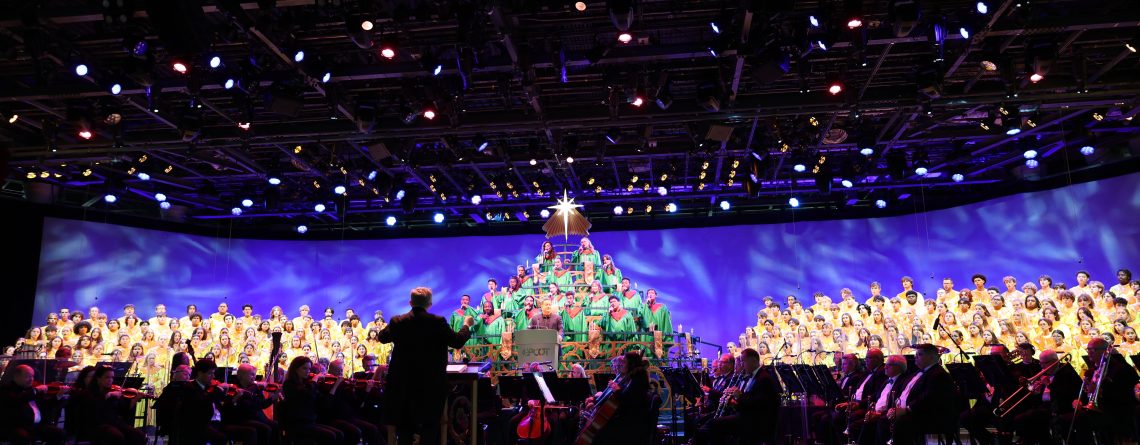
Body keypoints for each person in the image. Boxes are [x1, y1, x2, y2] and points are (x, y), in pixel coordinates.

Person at [378, 287, 474, 445]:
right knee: (430, 429)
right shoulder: (437, 322)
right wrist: (466, 325)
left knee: (404, 431)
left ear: (410, 303)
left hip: (403, 386)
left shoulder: (398, 321)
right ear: (430, 303)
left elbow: (382, 337)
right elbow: (457, 341)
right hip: (430, 385)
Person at [696, 348, 780, 444]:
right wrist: (733, 401)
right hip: (747, 416)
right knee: (710, 423)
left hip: (756, 421)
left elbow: (758, 404)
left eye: (743, 361)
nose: (742, 365)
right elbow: (748, 399)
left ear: (753, 361)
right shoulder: (752, 376)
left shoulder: (764, 378)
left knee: (714, 424)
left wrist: (738, 397)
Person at [1068, 337, 1139, 443]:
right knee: (1072, 418)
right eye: (1088, 350)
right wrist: (1078, 400)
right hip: (1097, 409)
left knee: (1081, 421)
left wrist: (1101, 391)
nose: (1090, 353)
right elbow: (1085, 392)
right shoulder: (1091, 371)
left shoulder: (1120, 369)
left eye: (1094, 350)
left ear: (1105, 350)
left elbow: (1126, 395)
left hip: (1114, 409)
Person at [887, 343, 957, 445]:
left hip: (931, 416)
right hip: (916, 412)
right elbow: (905, 392)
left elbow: (928, 398)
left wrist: (906, 409)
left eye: (919, 355)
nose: (915, 357)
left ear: (931, 357)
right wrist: (894, 408)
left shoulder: (938, 374)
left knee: (901, 424)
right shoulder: (918, 373)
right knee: (882, 421)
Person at [1011, 349, 1080, 445]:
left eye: (1044, 363)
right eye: (1041, 363)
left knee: (1030, 418)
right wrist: (1036, 392)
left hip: (1060, 407)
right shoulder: (1045, 373)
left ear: (1054, 361)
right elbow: (1040, 397)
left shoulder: (1067, 372)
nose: (1042, 366)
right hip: (1045, 407)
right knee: (1020, 418)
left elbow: (1066, 394)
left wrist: (1049, 384)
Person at [585, 351, 652, 444]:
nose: (621, 366)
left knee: (599, 434)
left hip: (632, 424)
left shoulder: (638, 379)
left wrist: (617, 390)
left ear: (631, 364)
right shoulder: (631, 377)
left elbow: (630, 402)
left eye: (624, 362)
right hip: (626, 419)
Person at [280, 356, 346, 445]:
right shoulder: (289, 384)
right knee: (330, 436)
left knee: (339, 434)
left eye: (309, 369)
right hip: (298, 424)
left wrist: (334, 386)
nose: (308, 371)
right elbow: (304, 395)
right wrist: (314, 381)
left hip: (311, 422)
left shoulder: (308, 384)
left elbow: (323, 403)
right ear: (296, 369)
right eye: (304, 368)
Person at [0, 364, 67, 445]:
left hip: (37, 425)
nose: (31, 379)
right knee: (22, 437)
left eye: (32, 376)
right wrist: (36, 390)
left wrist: (58, 396)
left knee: (59, 433)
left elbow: (45, 406)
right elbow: (19, 399)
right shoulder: (7, 389)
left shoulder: (32, 390)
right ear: (16, 376)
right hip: (17, 426)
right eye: (28, 376)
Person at [222, 363, 279, 445]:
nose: (254, 377)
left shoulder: (255, 388)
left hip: (254, 417)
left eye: (254, 374)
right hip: (242, 419)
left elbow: (261, 404)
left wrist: (271, 398)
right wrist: (270, 398)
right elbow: (249, 407)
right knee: (265, 429)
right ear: (242, 375)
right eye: (251, 375)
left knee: (276, 425)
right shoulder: (236, 388)